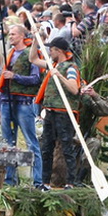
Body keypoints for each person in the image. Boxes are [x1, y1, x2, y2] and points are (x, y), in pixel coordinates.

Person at [29, 36, 81, 191]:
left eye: (51, 50)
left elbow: (74, 88)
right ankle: (45, 182)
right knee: (46, 148)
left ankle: (70, 182)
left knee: (66, 148)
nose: (49, 53)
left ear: (58, 51)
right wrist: (35, 39)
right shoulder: (53, 65)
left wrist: (59, 76)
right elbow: (33, 58)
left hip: (64, 113)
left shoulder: (71, 68)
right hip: (50, 112)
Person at [0, 25, 43, 188]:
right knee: (8, 143)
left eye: (13, 34)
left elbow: (36, 79)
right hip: (7, 102)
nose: (10, 36)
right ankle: (10, 180)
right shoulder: (10, 54)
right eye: (10, 34)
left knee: (31, 142)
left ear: (22, 36)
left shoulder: (31, 54)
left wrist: (15, 76)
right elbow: (4, 83)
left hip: (23, 103)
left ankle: (37, 181)